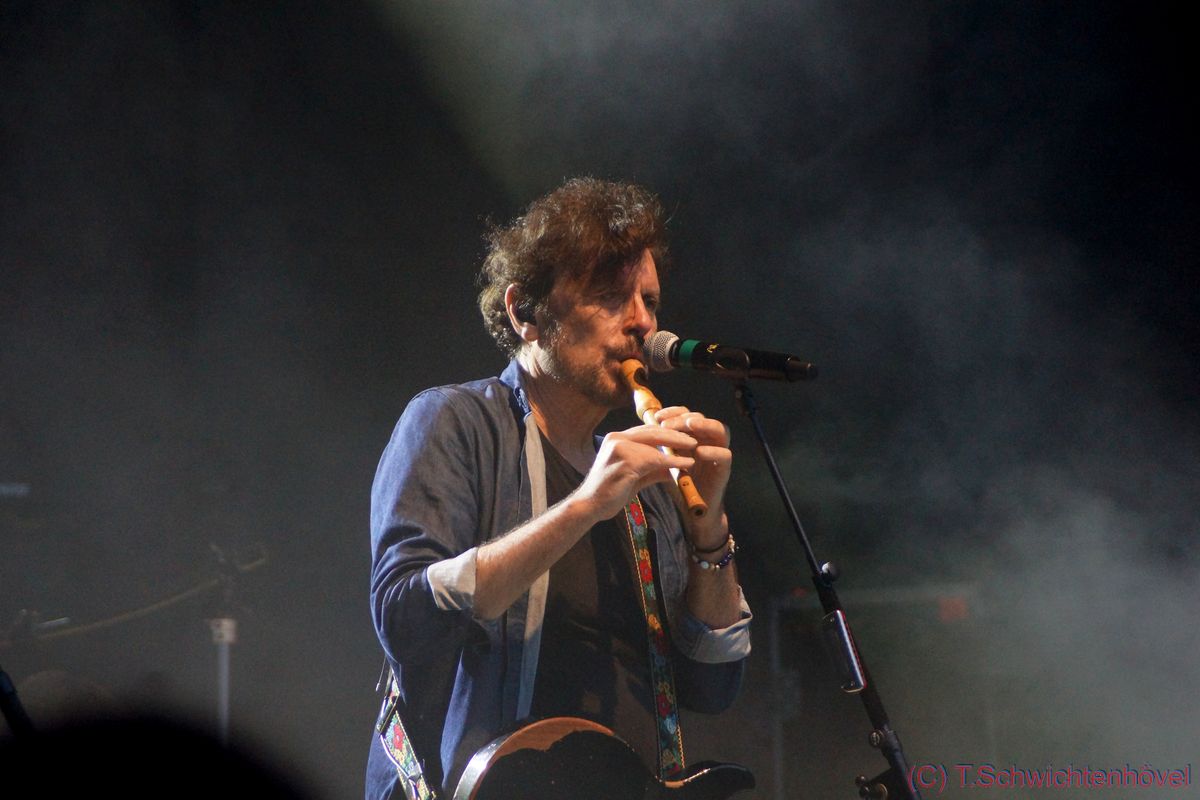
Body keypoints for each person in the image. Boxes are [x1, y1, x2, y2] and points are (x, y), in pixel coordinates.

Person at [366, 178, 752, 799]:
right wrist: (586, 505)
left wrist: (710, 533)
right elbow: (405, 619)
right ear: (525, 312)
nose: (642, 323)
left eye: (650, 301)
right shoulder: (454, 422)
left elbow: (712, 687)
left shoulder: (649, 483)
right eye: (610, 297)